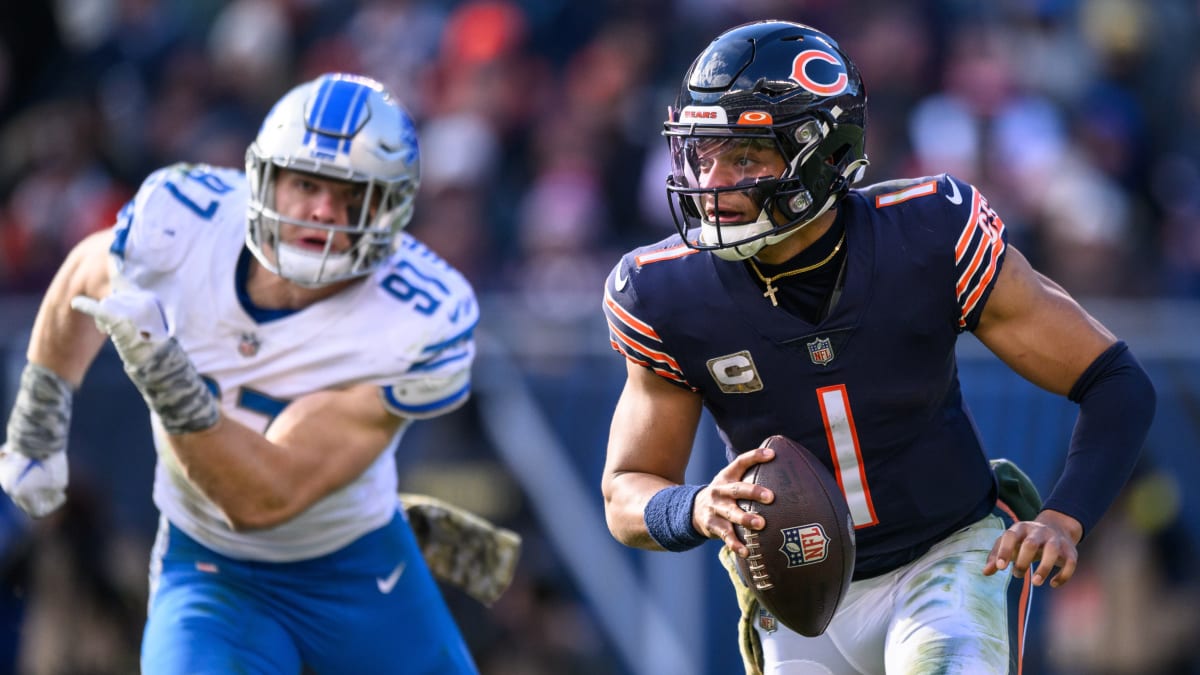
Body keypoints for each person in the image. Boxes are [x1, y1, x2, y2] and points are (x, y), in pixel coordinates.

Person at [600, 20, 1156, 674]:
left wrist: (1066, 516)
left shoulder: (926, 236)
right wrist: (694, 506)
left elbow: (1115, 381)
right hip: (797, 592)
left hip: (945, 559)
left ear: (823, 152)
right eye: (704, 152)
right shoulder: (667, 292)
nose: (714, 180)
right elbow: (626, 489)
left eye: (745, 156)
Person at [0, 72, 483, 673]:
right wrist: (39, 418)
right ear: (265, 179)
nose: (323, 211)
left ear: (392, 207)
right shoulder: (183, 225)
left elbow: (262, 498)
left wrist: (166, 377)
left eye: (350, 193)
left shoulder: (418, 314)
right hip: (212, 573)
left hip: (359, 571)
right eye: (306, 183)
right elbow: (85, 270)